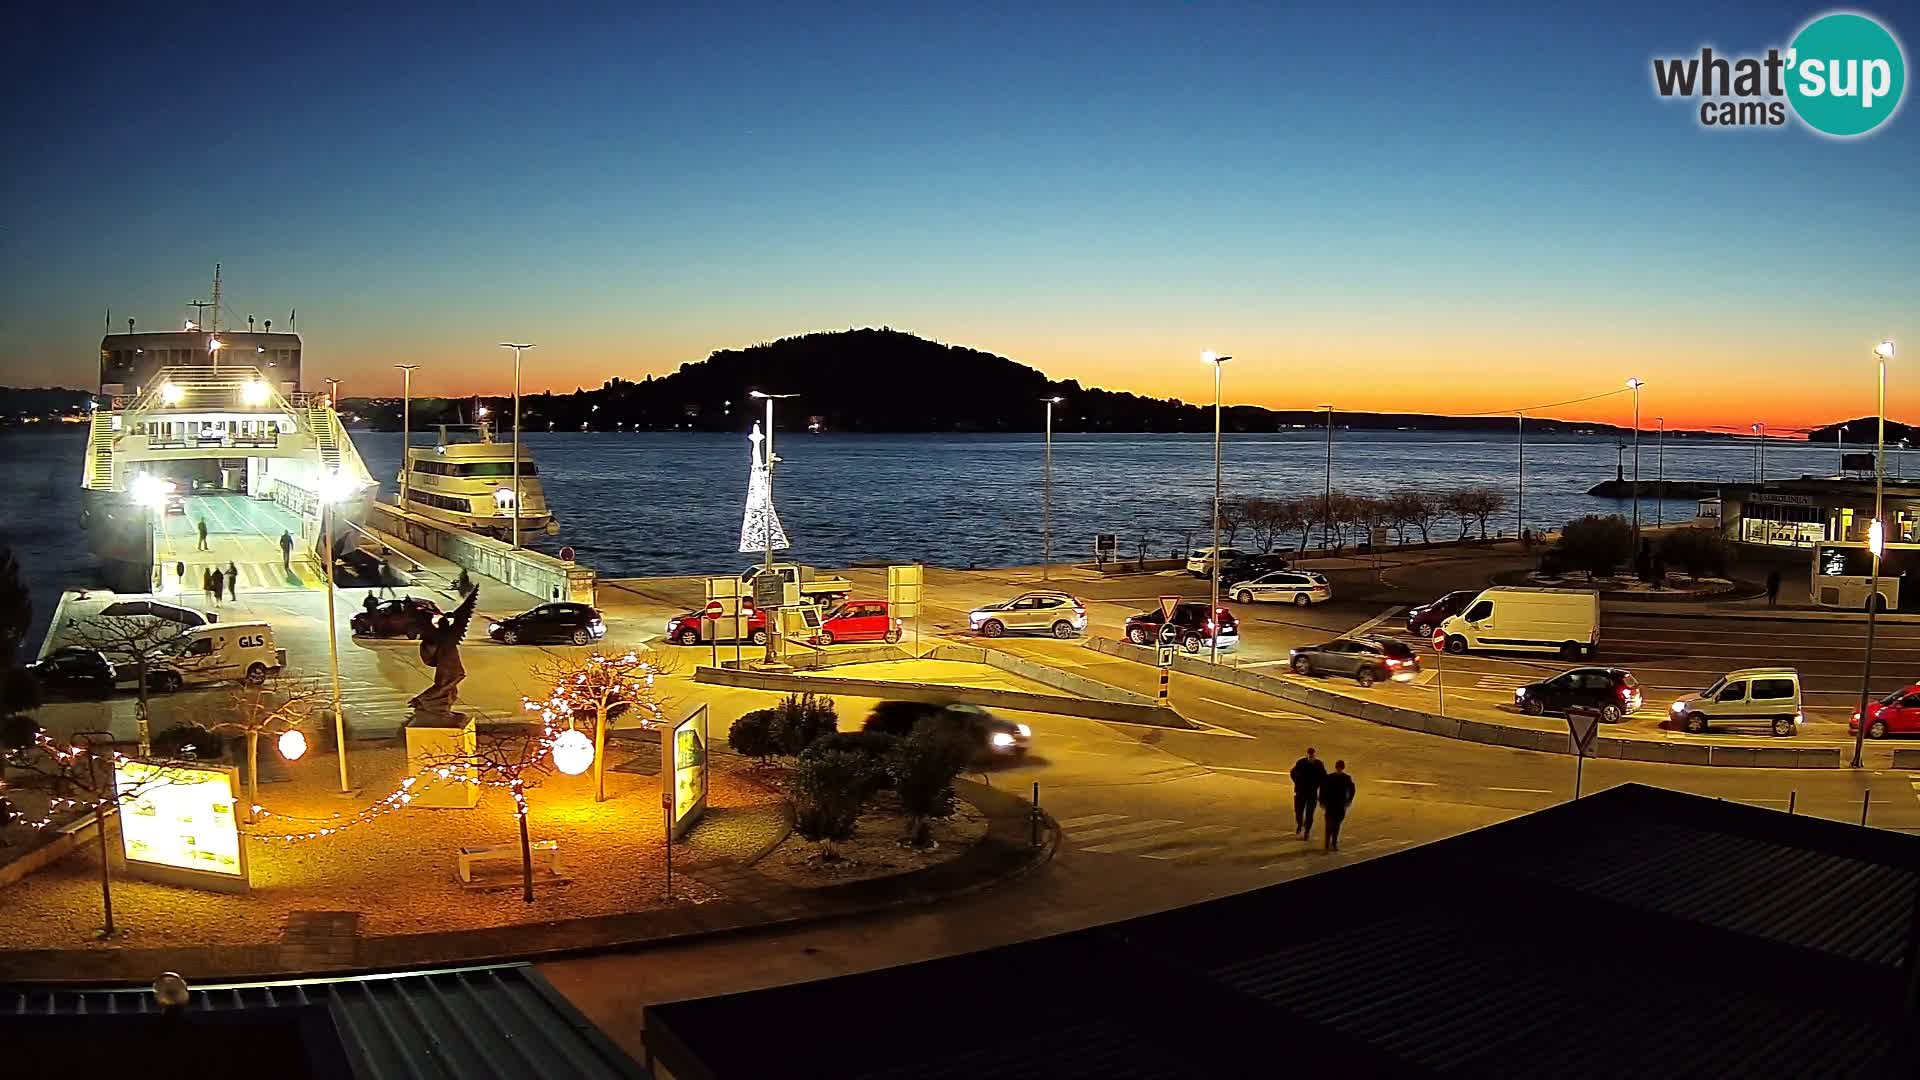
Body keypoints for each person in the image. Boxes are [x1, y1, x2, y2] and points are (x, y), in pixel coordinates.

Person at [1319, 760, 1357, 852]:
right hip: (1332, 804)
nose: (1339, 769)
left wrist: (1349, 800)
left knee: (1336, 825)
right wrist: (1322, 802)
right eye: (1338, 767)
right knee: (1329, 825)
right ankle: (1328, 845)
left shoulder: (1344, 778)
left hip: (1339, 805)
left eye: (1340, 767)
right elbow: (1323, 790)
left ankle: (1333, 843)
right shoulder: (1335, 778)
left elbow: (1352, 790)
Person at [1289, 746, 1326, 839]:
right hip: (1300, 791)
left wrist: (1318, 785)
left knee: (1310, 813)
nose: (1311, 757)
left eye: (1312, 756)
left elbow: (1323, 777)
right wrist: (1297, 782)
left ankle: (1307, 831)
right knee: (1298, 811)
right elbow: (1292, 772)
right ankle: (1300, 823)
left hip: (1312, 793)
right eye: (1309, 756)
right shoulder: (1301, 762)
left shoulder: (1318, 764)